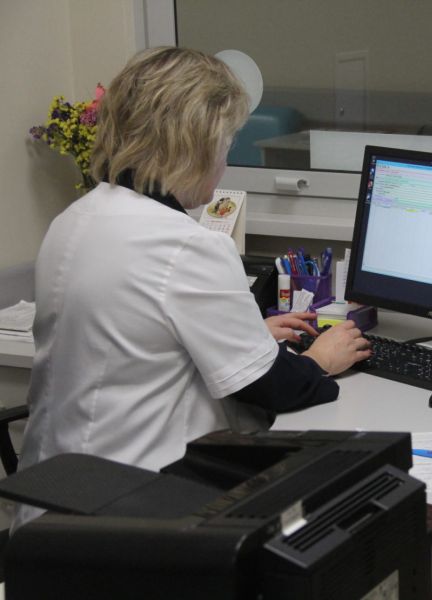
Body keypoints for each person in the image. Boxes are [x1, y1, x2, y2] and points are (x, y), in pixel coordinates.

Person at [14, 47, 371, 527]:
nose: (225, 162)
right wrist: (321, 359)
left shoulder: (76, 219)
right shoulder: (186, 245)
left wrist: (250, 335)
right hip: (134, 508)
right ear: (196, 146)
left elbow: (133, 342)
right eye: (225, 145)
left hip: (48, 502)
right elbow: (273, 388)